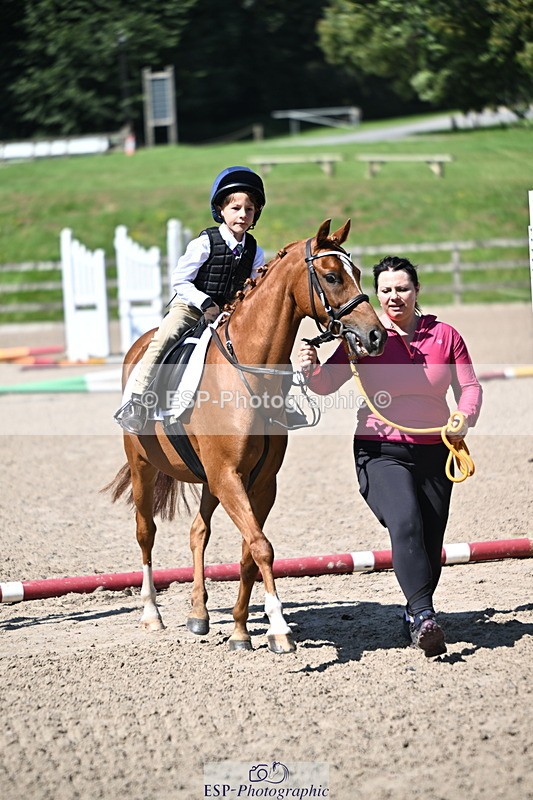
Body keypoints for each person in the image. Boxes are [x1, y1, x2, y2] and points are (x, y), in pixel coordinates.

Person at [298, 256, 483, 657]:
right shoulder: (366, 334)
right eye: (386, 290)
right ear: (376, 294)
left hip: (437, 450)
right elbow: (328, 383)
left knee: (430, 541)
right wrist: (312, 370)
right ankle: (423, 615)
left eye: (402, 288)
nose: (394, 296)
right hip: (380, 450)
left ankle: (414, 613)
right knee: (406, 522)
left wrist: (464, 417)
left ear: (416, 291)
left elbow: (469, 387)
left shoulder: (445, 335)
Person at [119, 166, 266, 434]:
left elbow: (254, 286)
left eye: (249, 209)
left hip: (228, 313)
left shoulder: (255, 250)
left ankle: (281, 405)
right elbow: (179, 280)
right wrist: (205, 303)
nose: (243, 214)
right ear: (221, 210)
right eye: (235, 208)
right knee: (164, 338)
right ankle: (138, 401)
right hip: (190, 307)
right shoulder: (205, 243)